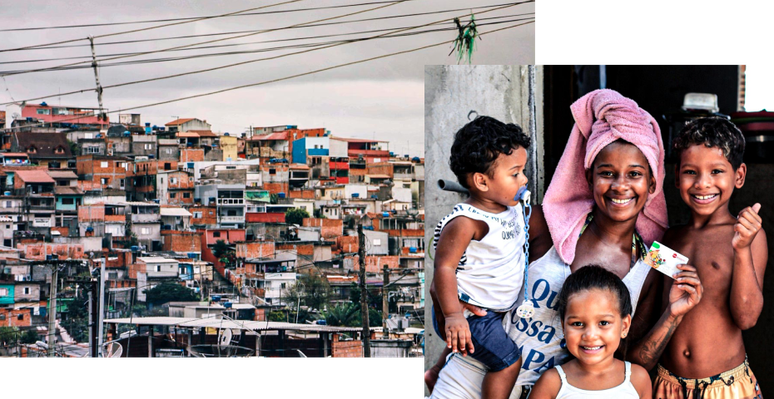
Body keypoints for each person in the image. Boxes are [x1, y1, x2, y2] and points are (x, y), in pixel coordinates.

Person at [427, 89, 703, 399]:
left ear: (652, 183)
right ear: (588, 177)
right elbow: (447, 268)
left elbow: (631, 361)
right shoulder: (546, 223)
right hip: (467, 382)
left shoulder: (655, 258)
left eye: (635, 174)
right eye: (607, 173)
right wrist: (449, 306)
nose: (620, 186)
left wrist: (673, 314)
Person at [651, 117, 766, 398]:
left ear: (738, 176)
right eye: (691, 172)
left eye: (716, 171)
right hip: (668, 385)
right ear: (676, 176)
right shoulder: (668, 239)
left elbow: (747, 318)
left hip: (724, 388)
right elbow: (652, 306)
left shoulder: (746, 235)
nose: (703, 184)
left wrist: (741, 249)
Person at [430, 115, 531, 398]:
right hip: (470, 315)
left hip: (490, 309)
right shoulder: (466, 222)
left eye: (523, 171)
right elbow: (444, 269)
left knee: (471, 349)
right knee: (507, 361)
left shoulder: (509, 206)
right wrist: (453, 316)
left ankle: (434, 373)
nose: (523, 179)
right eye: (515, 174)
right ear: (482, 182)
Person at [530, 265, 652, 398]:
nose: (590, 335)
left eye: (603, 323)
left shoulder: (638, 380)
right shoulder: (552, 383)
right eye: (577, 324)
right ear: (563, 327)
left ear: (624, 326)